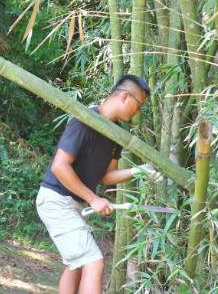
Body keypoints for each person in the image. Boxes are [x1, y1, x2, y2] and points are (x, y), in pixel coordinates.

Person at [36, 75, 158, 294]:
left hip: (73, 204)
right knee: (94, 262)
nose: (138, 112)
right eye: (139, 105)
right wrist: (93, 199)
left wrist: (138, 171)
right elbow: (59, 167)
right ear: (124, 96)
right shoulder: (85, 119)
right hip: (56, 201)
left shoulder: (116, 134)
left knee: (77, 265)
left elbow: (106, 176)